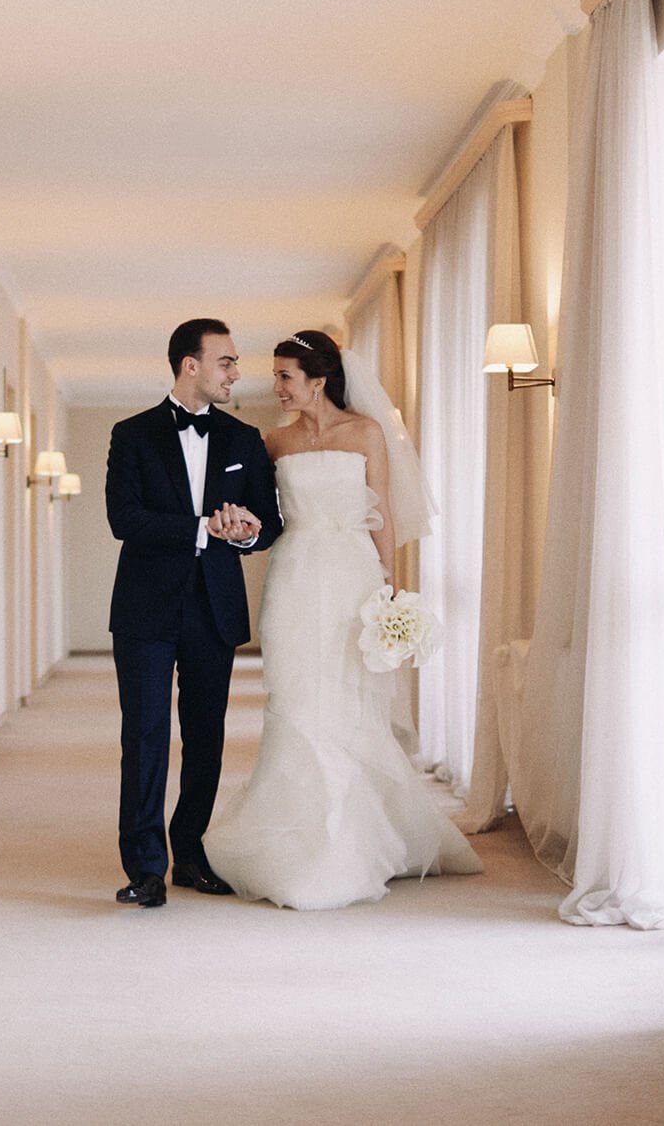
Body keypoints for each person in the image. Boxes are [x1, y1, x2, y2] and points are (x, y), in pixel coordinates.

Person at [201, 329, 482, 909]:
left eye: (285, 376)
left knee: (350, 702)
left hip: (353, 576)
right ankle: (293, 837)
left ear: (318, 381)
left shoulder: (367, 433)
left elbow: (381, 517)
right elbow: (264, 517)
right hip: (296, 577)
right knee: (296, 697)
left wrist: (390, 596)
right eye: (275, 376)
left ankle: (357, 840)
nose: (275, 386)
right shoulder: (273, 443)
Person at [105, 318, 283, 907]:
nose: (236, 372)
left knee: (205, 737)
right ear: (191, 365)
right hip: (145, 610)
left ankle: (190, 854)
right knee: (146, 736)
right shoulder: (131, 434)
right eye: (227, 361)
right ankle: (145, 868)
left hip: (213, 607)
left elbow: (269, 525)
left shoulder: (242, 438)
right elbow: (123, 520)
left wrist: (247, 531)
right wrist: (203, 528)